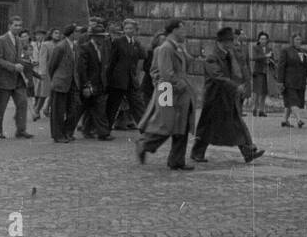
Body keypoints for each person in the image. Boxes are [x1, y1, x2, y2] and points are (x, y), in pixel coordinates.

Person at [190, 26, 264, 165]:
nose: (233, 43)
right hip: (214, 97)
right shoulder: (212, 57)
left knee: (237, 123)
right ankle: (197, 152)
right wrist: (236, 87)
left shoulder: (229, 54)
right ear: (223, 42)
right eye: (231, 41)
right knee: (207, 126)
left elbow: (238, 70)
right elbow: (217, 77)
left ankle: (248, 151)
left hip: (227, 96)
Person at [136, 19, 196, 170]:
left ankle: (177, 160)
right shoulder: (166, 48)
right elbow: (166, 72)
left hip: (180, 94)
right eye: (182, 30)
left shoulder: (177, 47)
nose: (185, 33)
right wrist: (179, 84)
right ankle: (144, 144)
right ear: (174, 30)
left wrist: (184, 50)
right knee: (166, 125)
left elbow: (186, 65)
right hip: (171, 92)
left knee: (181, 126)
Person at [0, 16, 32, 139]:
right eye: (15, 25)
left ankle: (21, 130)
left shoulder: (19, 40)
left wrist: (25, 63)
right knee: (1, 106)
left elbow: (19, 57)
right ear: (9, 26)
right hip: (5, 78)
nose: (18, 28)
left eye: (20, 25)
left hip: (18, 79)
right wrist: (13, 66)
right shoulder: (1, 40)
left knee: (22, 103)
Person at [75, 17, 113, 140]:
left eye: (103, 36)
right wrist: (86, 85)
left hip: (99, 83)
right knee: (83, 109)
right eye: (100, 36)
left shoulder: (102, 48)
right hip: (89, 84)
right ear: (94, 37)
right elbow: (82, 69)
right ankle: (68, 130)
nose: (102, 38)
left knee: (98, 108)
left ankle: (99, 132)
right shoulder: (85, 48)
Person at [105, 19, 147, 130]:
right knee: (113, 105)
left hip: (131, 80)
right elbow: (112, 61)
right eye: (126, 28)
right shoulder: (118, 42)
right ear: (124, 30)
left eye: (131, 28)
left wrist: (139, 45)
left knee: (137, 104)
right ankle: (105, 129)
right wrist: (108, 78)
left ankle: (145, 128)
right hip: (118, 80)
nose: (128, 30)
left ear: (135, 30)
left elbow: (143, 56)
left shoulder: (136, 43)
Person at [46, 25, 78, 144]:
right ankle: (58, 135)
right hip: (61, 82)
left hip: (71, 82)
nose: (79, 34)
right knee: (58, 111)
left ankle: (66, 132)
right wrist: (56, 78)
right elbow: (52, 65)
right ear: (72, 33)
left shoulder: (74, 46)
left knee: (73, 109)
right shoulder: (61, 46)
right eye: (77, 32)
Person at [277, 32, 307, 128]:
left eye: (300, 39)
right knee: (293, 101)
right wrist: (280, 81)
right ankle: (299, 119)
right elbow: (281, 66)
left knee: (291, 102)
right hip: (289, 81)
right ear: (292, 41)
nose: (298, 41)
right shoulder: (286, 51)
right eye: (296, 39)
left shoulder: (304, 51)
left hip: (300, 81)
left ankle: (284, 120)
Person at [250, 31, 275, 117]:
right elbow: (254, 58)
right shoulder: (255, 47)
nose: (263, 40)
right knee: (257, 91)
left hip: (267, 72)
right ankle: (254, 108)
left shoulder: (269, 49)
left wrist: (271, 61)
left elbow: (273, 59)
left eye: (265, 39)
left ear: (267, 40)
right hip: (258, 71)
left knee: (264, 92)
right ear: (259, 40)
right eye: (261, 39)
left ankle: (262, 110)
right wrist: (266, 56)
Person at [33, 29, 51, 120]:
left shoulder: (46, 45)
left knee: (44, 91)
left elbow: (44, 59)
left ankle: (40, 109)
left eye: (41, 35)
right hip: (36, 70)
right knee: (38, 91)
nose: (39, 37)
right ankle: (36, 109)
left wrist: (43, 72)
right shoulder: (33, 44)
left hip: (44, 71)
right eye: (37, 35)